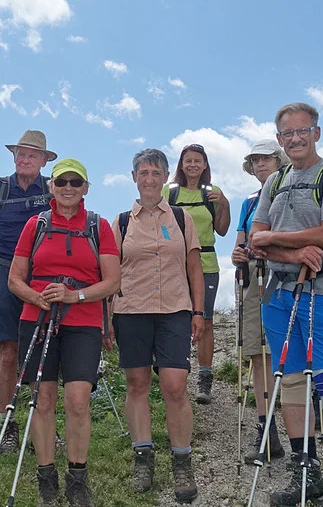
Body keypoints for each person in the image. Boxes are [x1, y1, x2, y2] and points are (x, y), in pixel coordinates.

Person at [248, 102, 323, 507]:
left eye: (302, 131)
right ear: (279, 140)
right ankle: (304, 473)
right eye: (287, 134)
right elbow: (254, 234)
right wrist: (294, 254)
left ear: (316, 132)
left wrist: (275, 242)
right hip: (277, 291)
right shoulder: (274, 180)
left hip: (321, 290)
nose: (295, 139)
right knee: (291, 381)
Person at [9, 158, 121, 507]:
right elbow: (15, 279)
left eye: (76, 182)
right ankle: (46, 478)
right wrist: (37, 297)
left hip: (83, 321)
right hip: (37, 317)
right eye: (62, 182)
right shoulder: (35, 225)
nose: (68, 188)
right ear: (51, 187)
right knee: (42, 400)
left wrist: (76, 295)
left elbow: (113, 281)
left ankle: (77, 477)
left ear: (86, 188)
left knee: (77, 400)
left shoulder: (98, 226)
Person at [112, 148, 204, 503]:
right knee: (137, 382)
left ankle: (182, 460)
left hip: (175, 310)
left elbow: (194, 268)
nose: (149, 179)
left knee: (175, 385)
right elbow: (110, 272)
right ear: (134, 177)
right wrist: (106, 317)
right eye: (143, 172)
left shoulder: (182, 218)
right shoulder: (120, 222)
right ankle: (143, 456)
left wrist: (199, 312)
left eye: (155, 172)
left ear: (166, 178)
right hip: (131, 310)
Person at [0, 129, 56, 455]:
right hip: (5, 272)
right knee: (8, 352)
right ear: (14, 156)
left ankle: (44, 424)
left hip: (41, 275)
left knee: (41, 352)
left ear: (43, 160)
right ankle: (8, 426)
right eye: (21, 153)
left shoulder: (53, 187)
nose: (25, 159)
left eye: (32, 155)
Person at [230, 139, 289, 464]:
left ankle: (290, 428)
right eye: (254, 160)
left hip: (284, 276)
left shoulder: (291, 193)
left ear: (279, 160)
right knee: (257, 352)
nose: (260, 164)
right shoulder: (250, 202)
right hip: (255, 278)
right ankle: (267, 431)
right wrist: (239, 254)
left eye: (265, 158)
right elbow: (240, 242)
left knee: (284, 353)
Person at [164, 144, 231, 404]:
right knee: (175, 319)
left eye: (197, 161)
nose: (192, 165)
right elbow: (158, 223)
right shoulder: (168, 192)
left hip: (206, 262)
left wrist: (224, 205)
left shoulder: (213, 193)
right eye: (188, 160)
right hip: (174, 263)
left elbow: (222, 230)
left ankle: (205, 378)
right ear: (181, 165)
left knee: (206, 320)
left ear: (205, 166)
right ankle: (178, 374)